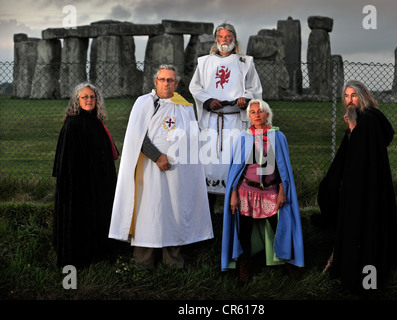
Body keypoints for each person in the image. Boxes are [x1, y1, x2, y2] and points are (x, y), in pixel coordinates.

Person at [109, 65, 213, 269]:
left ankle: (173, 263)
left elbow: (192, 139)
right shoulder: (145, 103)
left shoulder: (184, 106)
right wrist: (157, 156)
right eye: (163, 79)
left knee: (173, 212)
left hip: (177, 173)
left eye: (171, 80)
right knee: (148, 212)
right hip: (149, 171)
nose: (167, 83)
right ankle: (143, 264)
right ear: (155, 82)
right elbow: (137, 135)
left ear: (176, 83)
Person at [314, 80, 397, 292]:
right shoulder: (357, 118)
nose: (349, 100)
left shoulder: (371, 118)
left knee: (368, 230)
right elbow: (349, 154)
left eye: (353, 96)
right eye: (346, 96)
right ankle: (352, 275)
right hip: (355, 184)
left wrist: (354, 129)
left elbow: (367, 152)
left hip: (369, 187)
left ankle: (369, 283)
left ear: (363, 96)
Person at [221, 99, 304, 283]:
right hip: (246, 191)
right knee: (244, 232)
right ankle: (244, 270)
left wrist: (283, 190)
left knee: (280, 227)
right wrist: (233, 193)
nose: (257, 115)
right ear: (249, 116)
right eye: (253, 112)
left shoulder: (278, 137)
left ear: (267, 114)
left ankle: (290, 266)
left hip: (271, 191)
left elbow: (283, 167)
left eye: (260, 111)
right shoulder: (244, 137)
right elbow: (236, 169)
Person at [189, 23, 263, 214]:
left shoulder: (245, 62)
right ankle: (207, 215)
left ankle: (236, 211)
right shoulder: (204, 62)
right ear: (216, 39)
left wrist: (245, 99)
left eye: (229, 36)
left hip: (235, 121)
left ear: (234, 39)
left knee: (235, 162)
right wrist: (208, 100)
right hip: (212, 122)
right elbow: (195, 87)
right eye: (221, 37)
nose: (225, 40)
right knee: (210, 165)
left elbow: (255, 89)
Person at [53, 83, 119, 268]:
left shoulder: (96, 121)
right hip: (79, 184)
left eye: (92, 97)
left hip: (98, 182)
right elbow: (68, 161)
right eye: (85, 97)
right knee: (80, 221)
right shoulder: (72, 124)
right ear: (77, 100)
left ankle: (100, 255)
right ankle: (79, 260)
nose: (89, 100)